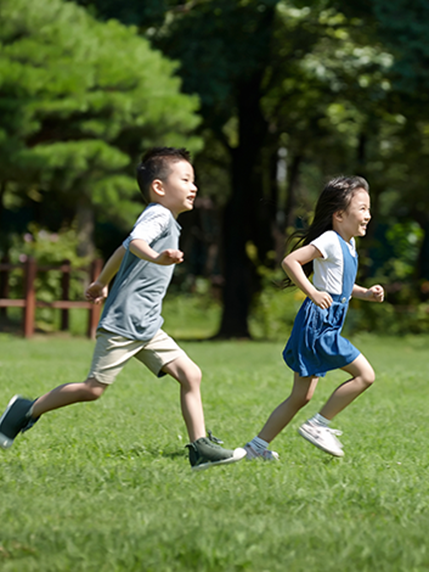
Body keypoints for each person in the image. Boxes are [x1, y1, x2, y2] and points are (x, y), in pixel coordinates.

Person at [0, 147, 246, 471]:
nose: (193, 186)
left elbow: (123, 246)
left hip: (146, 323)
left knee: (190, 374)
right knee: (93, 389)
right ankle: (25, 410)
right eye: (186, 179)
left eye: (193, 180)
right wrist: (157, 258)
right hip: (125, 322)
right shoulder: (157, 214)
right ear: (159, 187)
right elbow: (135, 243)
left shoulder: (166, 219)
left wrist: (102, 281)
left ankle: (200, 448)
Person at [244, 176, 384, 460]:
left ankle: (255, 448)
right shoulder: (331, 239)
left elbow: (339, 286)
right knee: (365, 375)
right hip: (319, 325)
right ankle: (318, 425)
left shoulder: (349, 244)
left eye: (369, 209)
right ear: (340, 214)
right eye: (362, 209)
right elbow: (291, 261)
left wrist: (366, 293)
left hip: (322, 323)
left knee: (301, 396)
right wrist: (310, 292)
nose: (368, 216)